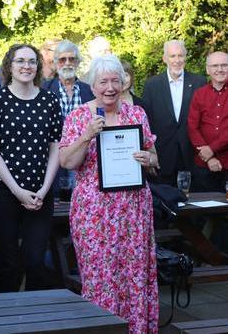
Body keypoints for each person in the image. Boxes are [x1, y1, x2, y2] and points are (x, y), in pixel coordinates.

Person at [60, 54, 159, 334]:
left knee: (134, 274)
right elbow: (67, 162)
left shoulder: (136, 114)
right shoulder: (78, 116)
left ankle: (136, 329)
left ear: (123, 83)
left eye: (115, 80)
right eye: (103, 81)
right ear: (92, 85)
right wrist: (86, 136)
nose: (110, 87)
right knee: (99, 277)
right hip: (94, 213)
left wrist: (149, 160)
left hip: (134, 208)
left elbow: (154, 155)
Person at [0, 44, 62, 292]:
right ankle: (5, 319)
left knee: (35, 260)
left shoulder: (49, 100)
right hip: (5, 192)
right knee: (8, 261)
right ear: (9, 65)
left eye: (31, 61)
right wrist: (17, 191)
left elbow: (56, 147)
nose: (26, 66)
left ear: (38, 66)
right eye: (20, 61)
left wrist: (44, 188)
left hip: (41, 192)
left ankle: (35, 318)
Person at [187, 51, 228, 254]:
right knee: (200, 211)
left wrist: (212, 150)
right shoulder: (199, 94)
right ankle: (203, 255)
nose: (220, 69)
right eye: (215, 66)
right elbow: (192, 127)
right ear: (208, 70)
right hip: (204, 165)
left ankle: (227, 259)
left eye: (224, 65)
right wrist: (210, 156)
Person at [142, 40, 206, 186]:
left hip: (191, 154)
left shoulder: (199, 82)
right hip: (162, 156)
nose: (177, 60)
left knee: (192, 203)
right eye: (172, 56)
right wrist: (150, 155)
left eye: (180, 56)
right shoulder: (152, 85)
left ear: (185, 57)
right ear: (165, 58)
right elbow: (147, 122)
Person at [41, 40, 94, 198]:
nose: (67, 63)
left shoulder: (90, 91)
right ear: (56, 63)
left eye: (72, 59)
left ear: (78, 62)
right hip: (53, 157)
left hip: (84, 157)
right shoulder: (43, 90)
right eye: (63, 59)